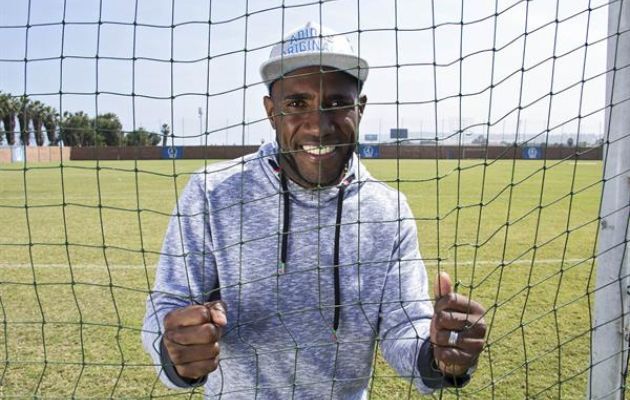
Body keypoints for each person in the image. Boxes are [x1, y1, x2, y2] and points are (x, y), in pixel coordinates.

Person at [142, 21, 486, 399]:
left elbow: (404, 329)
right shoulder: (212, 193)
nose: (318, 127)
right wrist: (176, 349)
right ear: (271, 112)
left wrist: (436, 356)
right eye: (296, 104)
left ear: (361, 108)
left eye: (337, 103)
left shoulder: (388, 210)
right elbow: (170, 304)